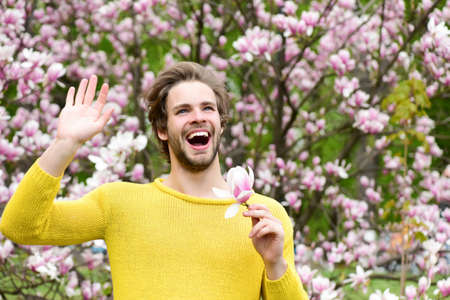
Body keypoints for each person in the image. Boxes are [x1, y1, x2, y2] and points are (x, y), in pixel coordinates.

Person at [0, 62, 308, 299]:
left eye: (207, 108)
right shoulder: (119, 204)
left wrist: (275, 264)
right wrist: (65, 144)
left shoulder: (263, 217)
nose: (198, 117)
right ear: (162, 128)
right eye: (183, 110)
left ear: (220, 123)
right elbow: (21, 226)